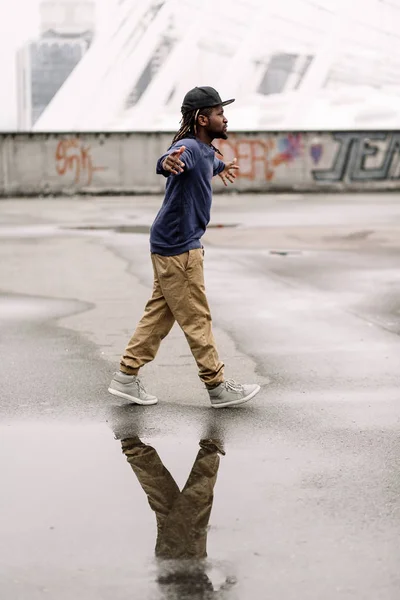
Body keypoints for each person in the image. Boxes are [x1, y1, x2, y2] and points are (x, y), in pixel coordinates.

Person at [108, 86, 260, 408]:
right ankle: (217, 386)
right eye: (219, 113)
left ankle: (125, 377)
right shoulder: (187, 147)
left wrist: (224, 168)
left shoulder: (206, 152)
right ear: (202, 119)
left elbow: (208, 165)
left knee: (159, 316)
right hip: (179, 247)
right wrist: (168, 163)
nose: (225, 118)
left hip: (169, 243)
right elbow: (171, 159)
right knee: (197, 318)